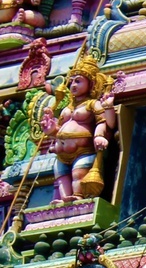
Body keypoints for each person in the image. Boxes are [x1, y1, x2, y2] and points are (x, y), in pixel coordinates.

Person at [42, 55, 115, 201]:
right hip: (61, 154)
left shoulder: (92, 104)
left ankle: (77, 196)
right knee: (62, 176)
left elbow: (103, 122)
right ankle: (63, 199)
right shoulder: (67, 108)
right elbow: (60, 130)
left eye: (78, 81)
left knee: (78, 174)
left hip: (83, 151)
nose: (73, 85)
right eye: (71, 82)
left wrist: (99, 136)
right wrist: (50, 130)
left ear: (91, 84)